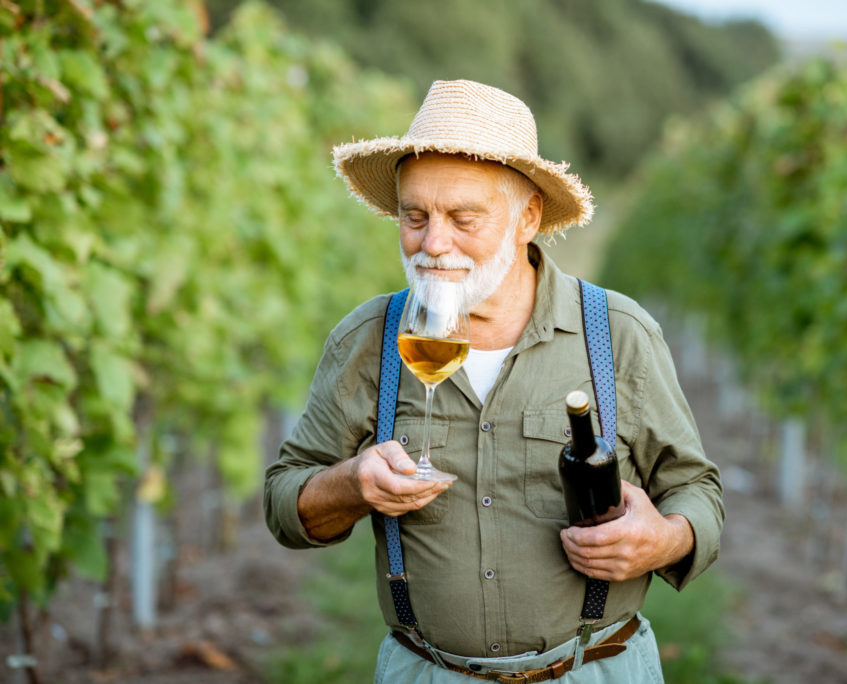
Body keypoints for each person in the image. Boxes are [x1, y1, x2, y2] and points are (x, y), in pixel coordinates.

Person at [264, 79, 723, 683]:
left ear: (526, 218)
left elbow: (696, 488)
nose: (433, 244)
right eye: (415, 216)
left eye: (463, 218)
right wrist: (351, 484)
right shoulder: (370, 338)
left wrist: (664, 539)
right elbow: (284, 501)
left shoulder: (617, 334)